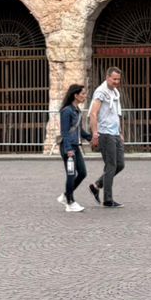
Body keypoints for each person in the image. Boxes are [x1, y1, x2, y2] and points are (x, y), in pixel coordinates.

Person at [86, 66, 125, 208]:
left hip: (114, 133)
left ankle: (96, 185)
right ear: (107, 77)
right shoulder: (100, 92)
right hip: (105, 133)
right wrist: (95, 133)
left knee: (120, 164)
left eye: (118, 79)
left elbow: (116, 114)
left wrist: (120, 132)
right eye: (114, 79)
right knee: (111, 165)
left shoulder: (115, 92)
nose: (116, 82)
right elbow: (93, 114)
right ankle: (108, 199)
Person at [58, 83, 87, 212]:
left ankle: (66, 195)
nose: (85, 96)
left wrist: (93, 138)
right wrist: (68, 149)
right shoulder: (66, 111)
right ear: (75, 95)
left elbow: (80, 130)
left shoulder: (77, 111)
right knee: (71, 174)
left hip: (75, 146)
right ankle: (70, 202)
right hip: (68, 147)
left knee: (82, 173)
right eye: (83, 94)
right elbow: (64, 132)